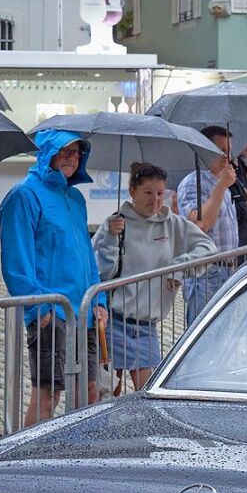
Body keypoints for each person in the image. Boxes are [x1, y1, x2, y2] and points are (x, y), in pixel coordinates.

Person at [0, 130, 108, 426]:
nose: (71, 159)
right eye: (65, 152)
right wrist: (39, 308)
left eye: (76, 153)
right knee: (47, 395)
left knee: (88, 391)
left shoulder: (75, 198)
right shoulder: (23, 195)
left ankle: (78, 457)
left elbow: (87, 255)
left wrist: (99, 299)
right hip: (52, 310)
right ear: (48, 152)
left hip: (83, 312)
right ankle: (28, 463)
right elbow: (16, 261)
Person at [92, 163, 216, 390]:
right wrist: (110, 238)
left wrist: (179, 267)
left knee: (147, 389)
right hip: (114, 320)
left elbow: (207, 248)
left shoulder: (173, 224)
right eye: (148, 193)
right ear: (133, 191)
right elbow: (99, 272)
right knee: (110, 391)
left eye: (160, 193)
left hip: (146, 326)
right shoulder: (115, 223)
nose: (155, 200)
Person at [177, 126, 247, 325]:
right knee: (204, 333)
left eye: (229, 150)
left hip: (226, 270)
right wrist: (221, 186)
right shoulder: (193, 183)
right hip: (205, 273)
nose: (227, 156)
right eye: (221, 150)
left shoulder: (224, 183)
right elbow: (201, 225)